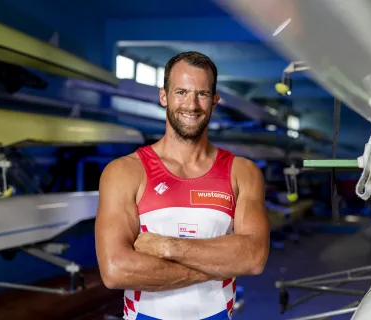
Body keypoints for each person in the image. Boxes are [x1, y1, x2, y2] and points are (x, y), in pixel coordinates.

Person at [95, 51, 270, 320]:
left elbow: (254, 258)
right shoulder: (124, 172)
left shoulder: (242, 172)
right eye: (181, 92)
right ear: (163, 96)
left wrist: (168, 248)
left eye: (201, 94)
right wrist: (219, 264)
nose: (191, 104)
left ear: (215, 100)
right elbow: (116, 270)